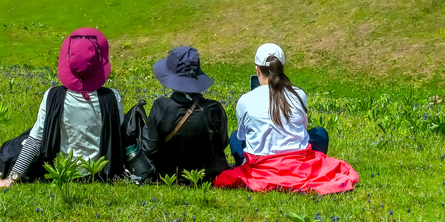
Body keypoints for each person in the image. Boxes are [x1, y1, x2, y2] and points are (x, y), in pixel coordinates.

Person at [0, 28, 124, 189]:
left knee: (22, 139)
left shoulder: (52, 95)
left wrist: (11, 179)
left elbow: (35, 140)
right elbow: (118, 130)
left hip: (61, 170)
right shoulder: (112, 97)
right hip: (98, 171)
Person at [214, 43, 358, 194]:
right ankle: (303, 171)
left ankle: (245, 165)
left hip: (261, 168)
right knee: (320, 132)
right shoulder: (297, 94)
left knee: (235, 138)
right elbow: (303, 129)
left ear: (257, 69)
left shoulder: (246, 100)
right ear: (281, 68)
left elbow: (243, 136)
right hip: (298, 165)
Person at [143, 46, 230, 182]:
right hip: (207, 176)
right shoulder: (214, 109)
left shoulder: (160, 107)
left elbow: (149, 149)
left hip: (169, 175)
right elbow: (222, 144)